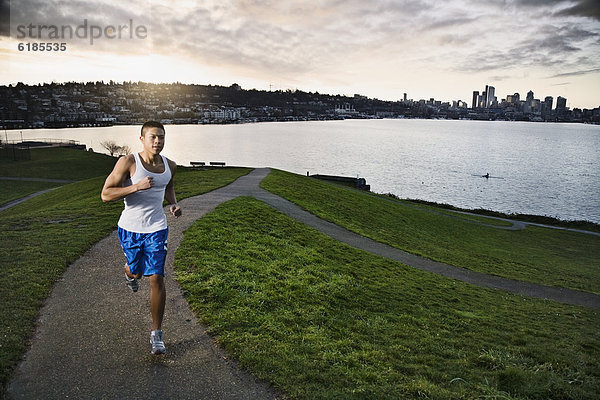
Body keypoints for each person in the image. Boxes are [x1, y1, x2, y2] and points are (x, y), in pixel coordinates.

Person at [101, 121, 181, 355]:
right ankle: (129, 272)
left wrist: (173, 204)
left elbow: (168, 186)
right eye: (153, 137)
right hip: (131, 229)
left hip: (157, 228)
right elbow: (106, 194)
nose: (158, 142)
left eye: (162, 137)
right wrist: (135, 188)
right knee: (137, 272)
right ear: (142, 139)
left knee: (156, 277)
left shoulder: (171, 165)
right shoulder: (128, 162)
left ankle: (157, 333)